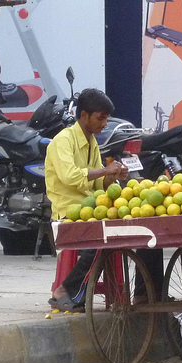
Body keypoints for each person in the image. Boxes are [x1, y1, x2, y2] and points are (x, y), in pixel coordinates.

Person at [45, 88, 129, 312]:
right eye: (100, 118)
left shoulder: (92, 142)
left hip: (89, 208)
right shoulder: (62, 141)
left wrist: (112, 176)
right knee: (101, 240)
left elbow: (95, 185)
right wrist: (104, 171)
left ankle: (130, 293)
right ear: (84, 115)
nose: (104, 123)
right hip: (67, 212)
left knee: (120, 234)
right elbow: (70, 176)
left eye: (106, 119)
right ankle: (64, 291)